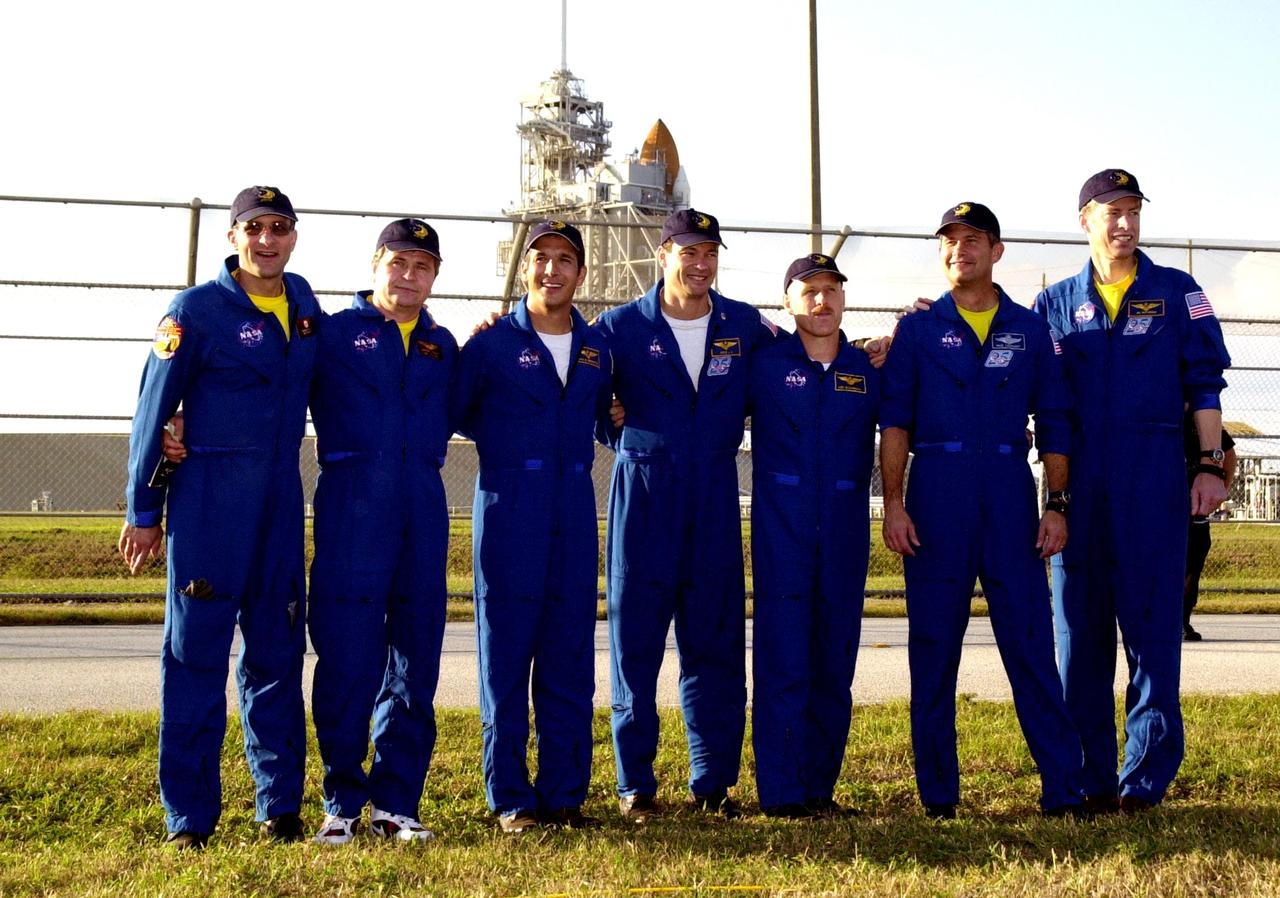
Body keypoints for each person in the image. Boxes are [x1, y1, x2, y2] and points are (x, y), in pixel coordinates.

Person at [119, 186, 319, 849]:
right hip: (210, 500)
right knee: (195, 656)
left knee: (278, 651)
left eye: (280, 228)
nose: (268, 241)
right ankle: (190, 818)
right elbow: (154, 410)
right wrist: (145, 510)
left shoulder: (306, 306)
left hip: (281, 503)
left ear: (294, 236)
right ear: (232, 237)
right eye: (255, 228)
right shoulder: (196, 311)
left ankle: (278, 805)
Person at [880, 202, 1086, 819]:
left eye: (973, 240)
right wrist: (892, 504)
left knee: (1030, 644)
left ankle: (1063, 789)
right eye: (948, 241)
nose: (958, 250)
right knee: (933, 649)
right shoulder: (916, 331)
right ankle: (939, 797)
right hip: (936, 492)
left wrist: (1057, 506)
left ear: (997, 252)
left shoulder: (1028, 331)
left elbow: (1054, 423)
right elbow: (894, 423)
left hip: (1006, 494)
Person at [1035, 170, 1232, 812]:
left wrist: (1208, 463)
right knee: (1080, 637)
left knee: (1152, 635)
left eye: (1132, 211)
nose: (1124, 223)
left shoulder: (1178, 293)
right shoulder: (1054, 304)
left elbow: (1204, 386)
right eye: (1110, 211)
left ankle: (1143, 780)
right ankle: (1089, 777)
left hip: (1153, 481)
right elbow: (1040, 400)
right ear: (1084, 219)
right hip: (1078, 484)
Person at [594, 208, 781, 821]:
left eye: (710, 254)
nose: (700, 265)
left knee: (716, 643)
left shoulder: (743, 324)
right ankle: (635, 784)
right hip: (644, 494)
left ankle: (713, 781)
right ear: (664, 253)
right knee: (635, 645)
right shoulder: (620, 326)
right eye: (688, 252)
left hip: (714, 496)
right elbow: (582, 393)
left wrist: (875, 345)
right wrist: (610, 422)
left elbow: (804, 352)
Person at [450, 220, 613, 833]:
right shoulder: (491, 344)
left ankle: (566, 792)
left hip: (573, 509)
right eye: (541, 259)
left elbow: (608, 418)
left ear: (580, 273)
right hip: (510, 506)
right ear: (525, 271)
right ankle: (512, 797)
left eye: (564, 260)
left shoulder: (597, 348)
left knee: (569, 654)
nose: (552, 270)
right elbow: (455, 411)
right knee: (507, 657)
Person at [307, 220, 457, 844]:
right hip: (353, 507)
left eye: (422, 266)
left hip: (422, 509)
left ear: (434, 277)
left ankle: (396, 802)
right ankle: (342, 799)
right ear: (375, 266)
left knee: (415, 658)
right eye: (399, 263)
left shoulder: (442, 345)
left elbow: (488, 401)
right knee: (347, 654)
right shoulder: (332, 335)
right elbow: (276, 388)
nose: (408, 276)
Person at [748, 254, 879, 818]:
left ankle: (820, 788)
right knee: (783, 664)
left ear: (844, 298)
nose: (821, 302)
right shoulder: (763, 364)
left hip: (846, 535)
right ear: (787, 302)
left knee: (833, 664)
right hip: (783, 536)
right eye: (809, 292)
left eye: (831, 290)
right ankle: (780, 793)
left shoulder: (869, 367)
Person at [1182, 417, 1236, 642]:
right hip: (1162, 508)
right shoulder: (1161, 414)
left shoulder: (1202, 419)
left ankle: (1182, 619)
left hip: (1196, 510)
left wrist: (1219, 490)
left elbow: (1229, 454)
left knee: (1192, 566)